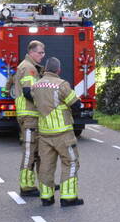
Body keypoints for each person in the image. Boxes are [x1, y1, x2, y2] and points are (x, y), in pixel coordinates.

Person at [32, 57, 83, 206]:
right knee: (71, 162)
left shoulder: (36, 86)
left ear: (45, 69)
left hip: (44, 133)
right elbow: (76, 105)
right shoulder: (62, 85)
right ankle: (68, 197)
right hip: (63, 133)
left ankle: (46, 198)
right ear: (58, 70)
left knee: (46, 165)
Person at [11, 40, 45, 196]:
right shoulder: (28, 68)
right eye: (40, 52)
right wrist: (45, 103)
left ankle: (37, 183)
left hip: (31, 115)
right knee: (29, 151)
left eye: (43, 52)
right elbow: (28, 92)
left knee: (36, 151)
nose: (42, 56)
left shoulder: (29, 66)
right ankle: (26, 186)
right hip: (29, 115)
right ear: (31, 52)